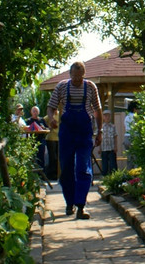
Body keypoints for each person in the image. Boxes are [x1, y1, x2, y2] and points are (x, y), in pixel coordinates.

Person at [47, 61, 102, 220]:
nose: (77, 80)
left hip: (84, 132)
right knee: (66, 169)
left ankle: (81, 206)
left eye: (80, 77)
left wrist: (100, 132)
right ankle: (69, 202)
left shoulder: (91, 87)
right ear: (70, 74)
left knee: (83, 168)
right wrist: (51, 119)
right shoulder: (62, 86)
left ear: (84, 75)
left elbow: (97, 110)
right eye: (75, 77)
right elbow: (51, 106)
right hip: (67, 133)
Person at [100, 110, 118, 175]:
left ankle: (114, 177)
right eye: (105, 116)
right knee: (104, 165)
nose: (107, 117)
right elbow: (100, 138)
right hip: (104, 148)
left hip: (111, 148)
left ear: (110, 117)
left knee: (113, 165)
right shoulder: (101, 127)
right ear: (103, 117)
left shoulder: (113, 126)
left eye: (108, 116)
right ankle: (105, 178)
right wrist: (99, 148)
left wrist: (116, 146)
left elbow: (115, 136)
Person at [45, 108, 60, 180]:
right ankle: (51, 174)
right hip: (51, 138)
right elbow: (43, 121)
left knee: (58, 157)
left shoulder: (60, 114)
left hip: (59, 138)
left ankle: (58, 173)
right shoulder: (49, 116)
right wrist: (47, 127)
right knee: (52, 157)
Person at [123, 100, 138, 170]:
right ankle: (136, 177)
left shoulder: (126, 117)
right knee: (136, 158)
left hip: (126, 137)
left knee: (129, 159)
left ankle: (129, 176)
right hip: (133, 137)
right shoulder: (135, 117)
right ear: (134, 109)